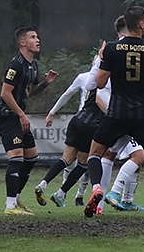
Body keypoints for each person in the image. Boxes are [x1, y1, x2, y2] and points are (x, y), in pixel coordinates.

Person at [83, 6, 144, 218]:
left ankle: (97, 189)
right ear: (141, 24)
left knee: (95, 153)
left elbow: (100, 82)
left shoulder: (113, 49)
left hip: (117, 112)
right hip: (143, 113)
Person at [0, 27, 58, 215]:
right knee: (16, 157)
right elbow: (5, 93)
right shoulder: (17, 65)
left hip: (17, 115)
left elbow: (30, 92)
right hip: (6, 116)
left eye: (37, 36)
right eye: (32, 37)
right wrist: (22, 115)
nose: (37, 40)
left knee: (31, 158)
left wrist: (45, 83)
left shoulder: (33, 65)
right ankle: (10, 206)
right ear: (22, 43)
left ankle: (17, 198)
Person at [34, 46, 105, 207]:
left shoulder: (87, 77)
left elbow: (66, 94)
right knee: (84, 164)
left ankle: (43, 184)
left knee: (66, 159)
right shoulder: (108, 81)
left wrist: (51, 112)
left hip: (77, 119)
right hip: (92, 124)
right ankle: (62, 193)